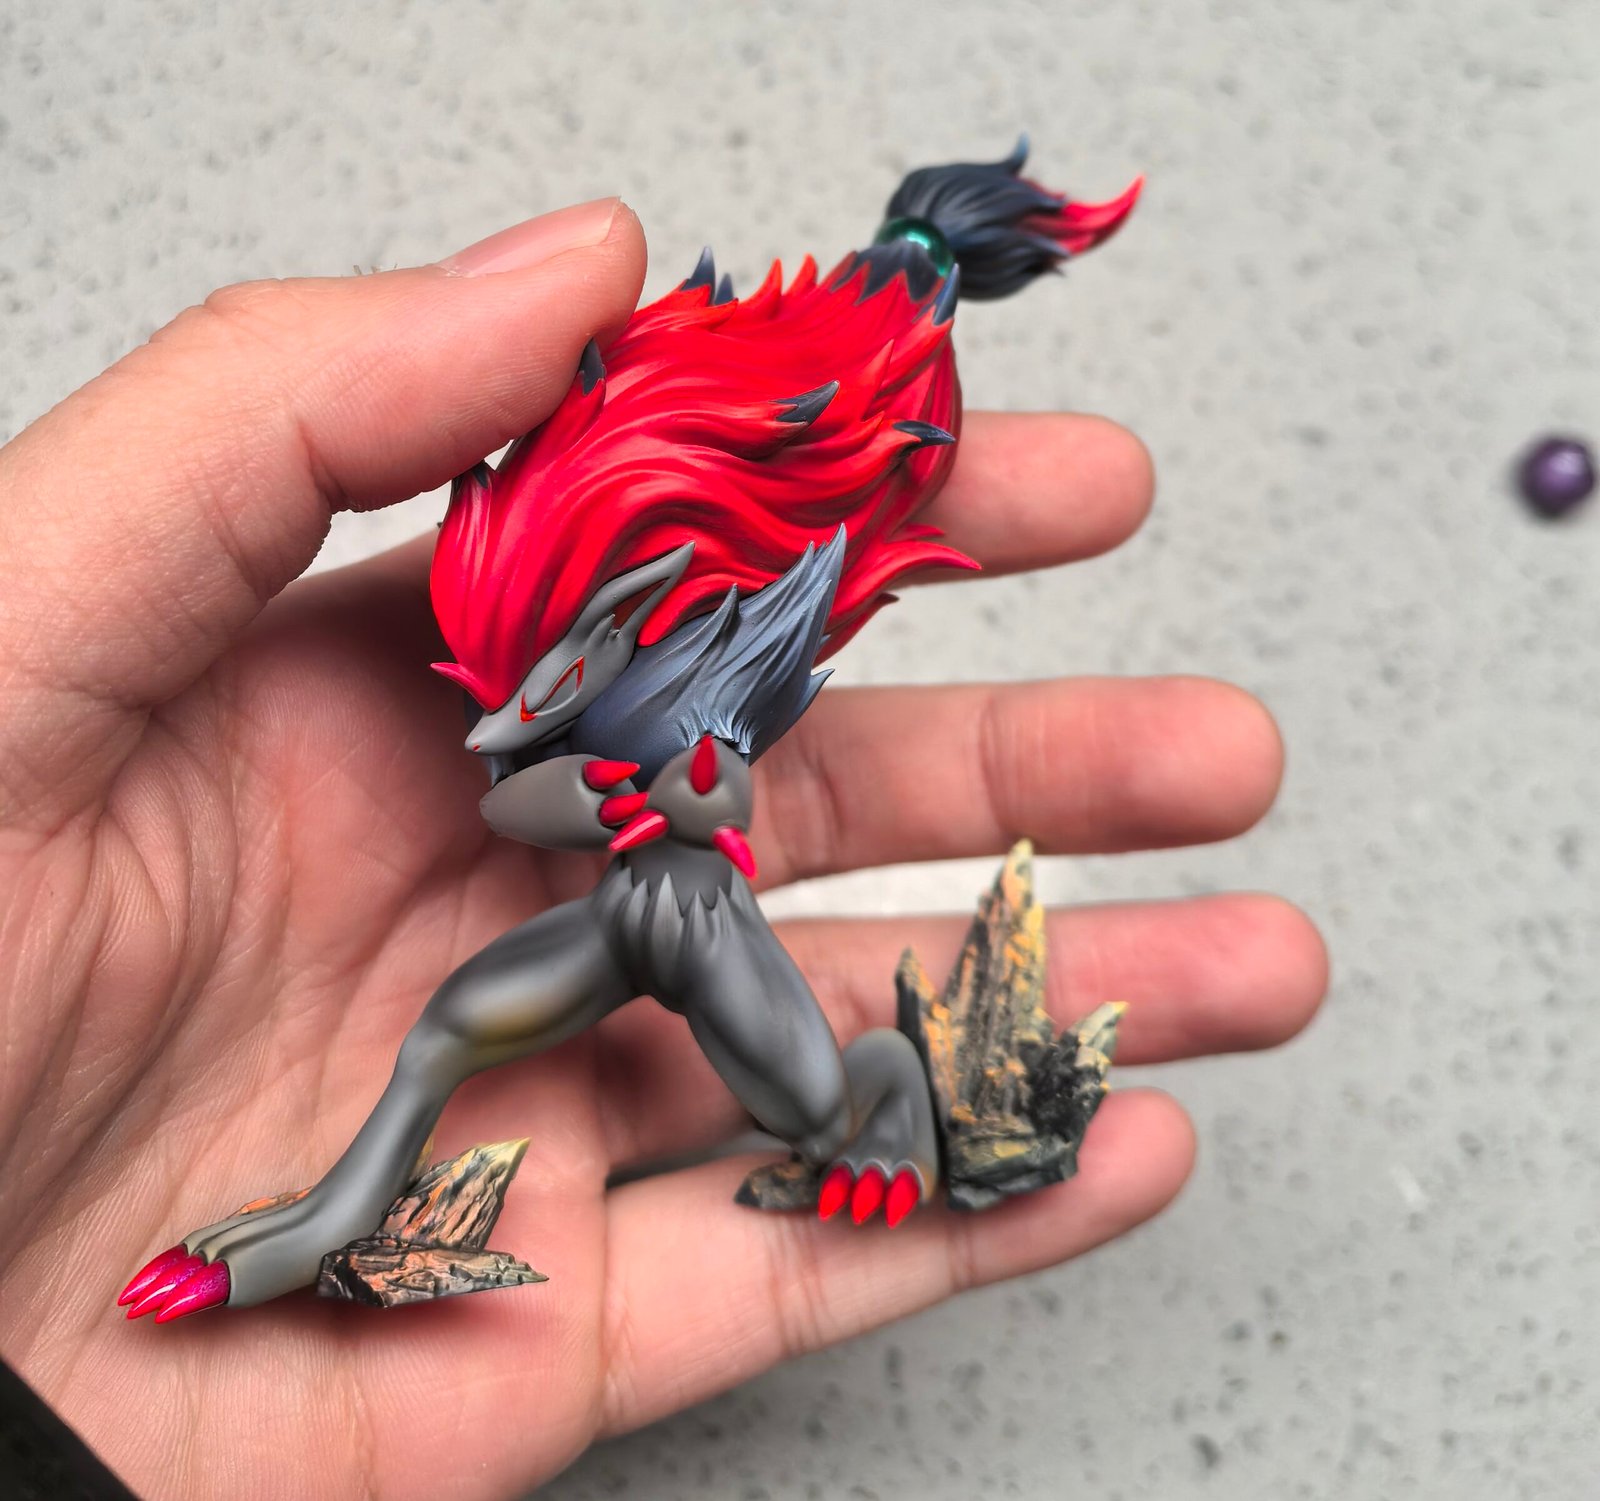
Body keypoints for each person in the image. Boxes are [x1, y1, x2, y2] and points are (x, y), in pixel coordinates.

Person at [0, 198, 1327, 1499]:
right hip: (617, 920)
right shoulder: (572, 649)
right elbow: (513, 797)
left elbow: (713, 793)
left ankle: (895, 1095)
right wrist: (586, 789)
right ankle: (332, 1220)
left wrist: (663, 792)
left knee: (811, 1114)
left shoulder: (712, 665)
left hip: (705, 932)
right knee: (446, 1034)